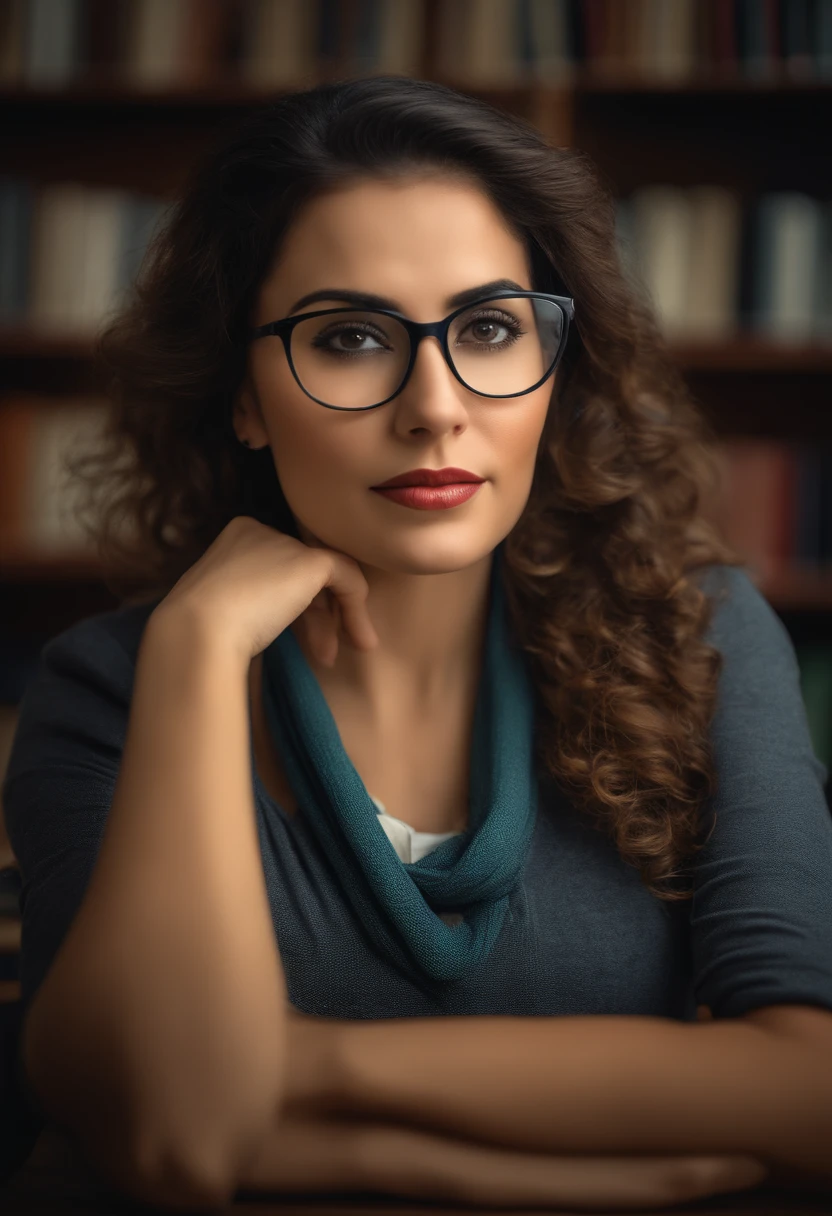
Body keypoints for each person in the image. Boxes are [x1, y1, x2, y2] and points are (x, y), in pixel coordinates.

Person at [3, 75, 831, 1212]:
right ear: (241, 394)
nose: (435, 404)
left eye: (490, 327)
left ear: (557, 366)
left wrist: (304, 1067)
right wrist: (197, 646)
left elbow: (809, 1090)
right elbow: (185, 1135)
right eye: (348, 337)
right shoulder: (109, 686)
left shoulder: (698, 633)